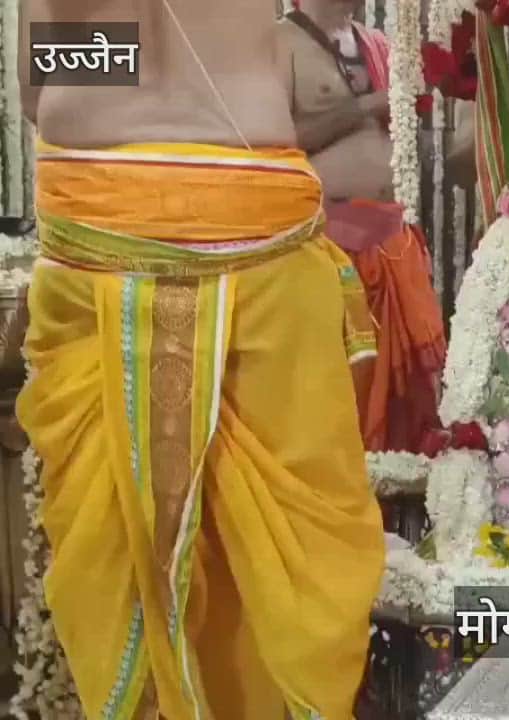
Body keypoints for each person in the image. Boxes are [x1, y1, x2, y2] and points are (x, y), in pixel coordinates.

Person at [17, 0, 383, 717]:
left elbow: (39, 86)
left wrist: (138, 70)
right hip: (245, 188)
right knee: (276, 538)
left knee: (115, 533)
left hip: (99, 204)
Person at [281, 0, 448, 452]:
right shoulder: (280, 43)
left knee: (405, 402)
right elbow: (274, 138)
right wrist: (367, 105)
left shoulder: (378, 46)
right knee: (335, 389)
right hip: (324, 246)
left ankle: (396, 484)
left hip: (391, 241)